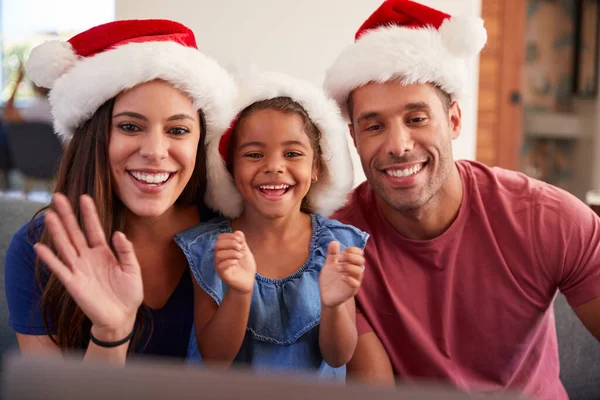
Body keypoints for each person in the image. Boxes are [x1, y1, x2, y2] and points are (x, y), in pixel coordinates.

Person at [323, 0, 600, 398]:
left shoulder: (546, 217)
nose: (398, 145)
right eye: (374, 126)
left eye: (417, 118)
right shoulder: (337, 241)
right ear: (355, 139)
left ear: (453, 120)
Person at [4, 19, 236, 364]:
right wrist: (110, 333)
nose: (156, 151)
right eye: (130, 126)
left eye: (177, 130)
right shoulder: (37, 251)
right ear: (92, 137)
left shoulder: (234, 234)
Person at [174, 71, 367, 379]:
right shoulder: (210, 248)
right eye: (254, 154)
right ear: (230, 167)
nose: (274, 166)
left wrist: (334, 305)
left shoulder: (338, 245)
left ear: (316, 166)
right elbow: (214, 358)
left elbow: (338, 355)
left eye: (292, 153)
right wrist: (238, 291)